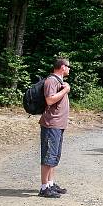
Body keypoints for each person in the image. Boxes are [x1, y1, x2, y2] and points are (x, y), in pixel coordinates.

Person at [38, 58, 71, 198]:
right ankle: (44, 187)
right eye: (69, 67)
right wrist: (66, 90)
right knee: (48, 155)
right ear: (62, 67)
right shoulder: (51, 81)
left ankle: (51, 183)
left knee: (54, 156)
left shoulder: (59, 81)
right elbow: (50, 100)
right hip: (51, 124)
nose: (70, 69)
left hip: (58, 124)